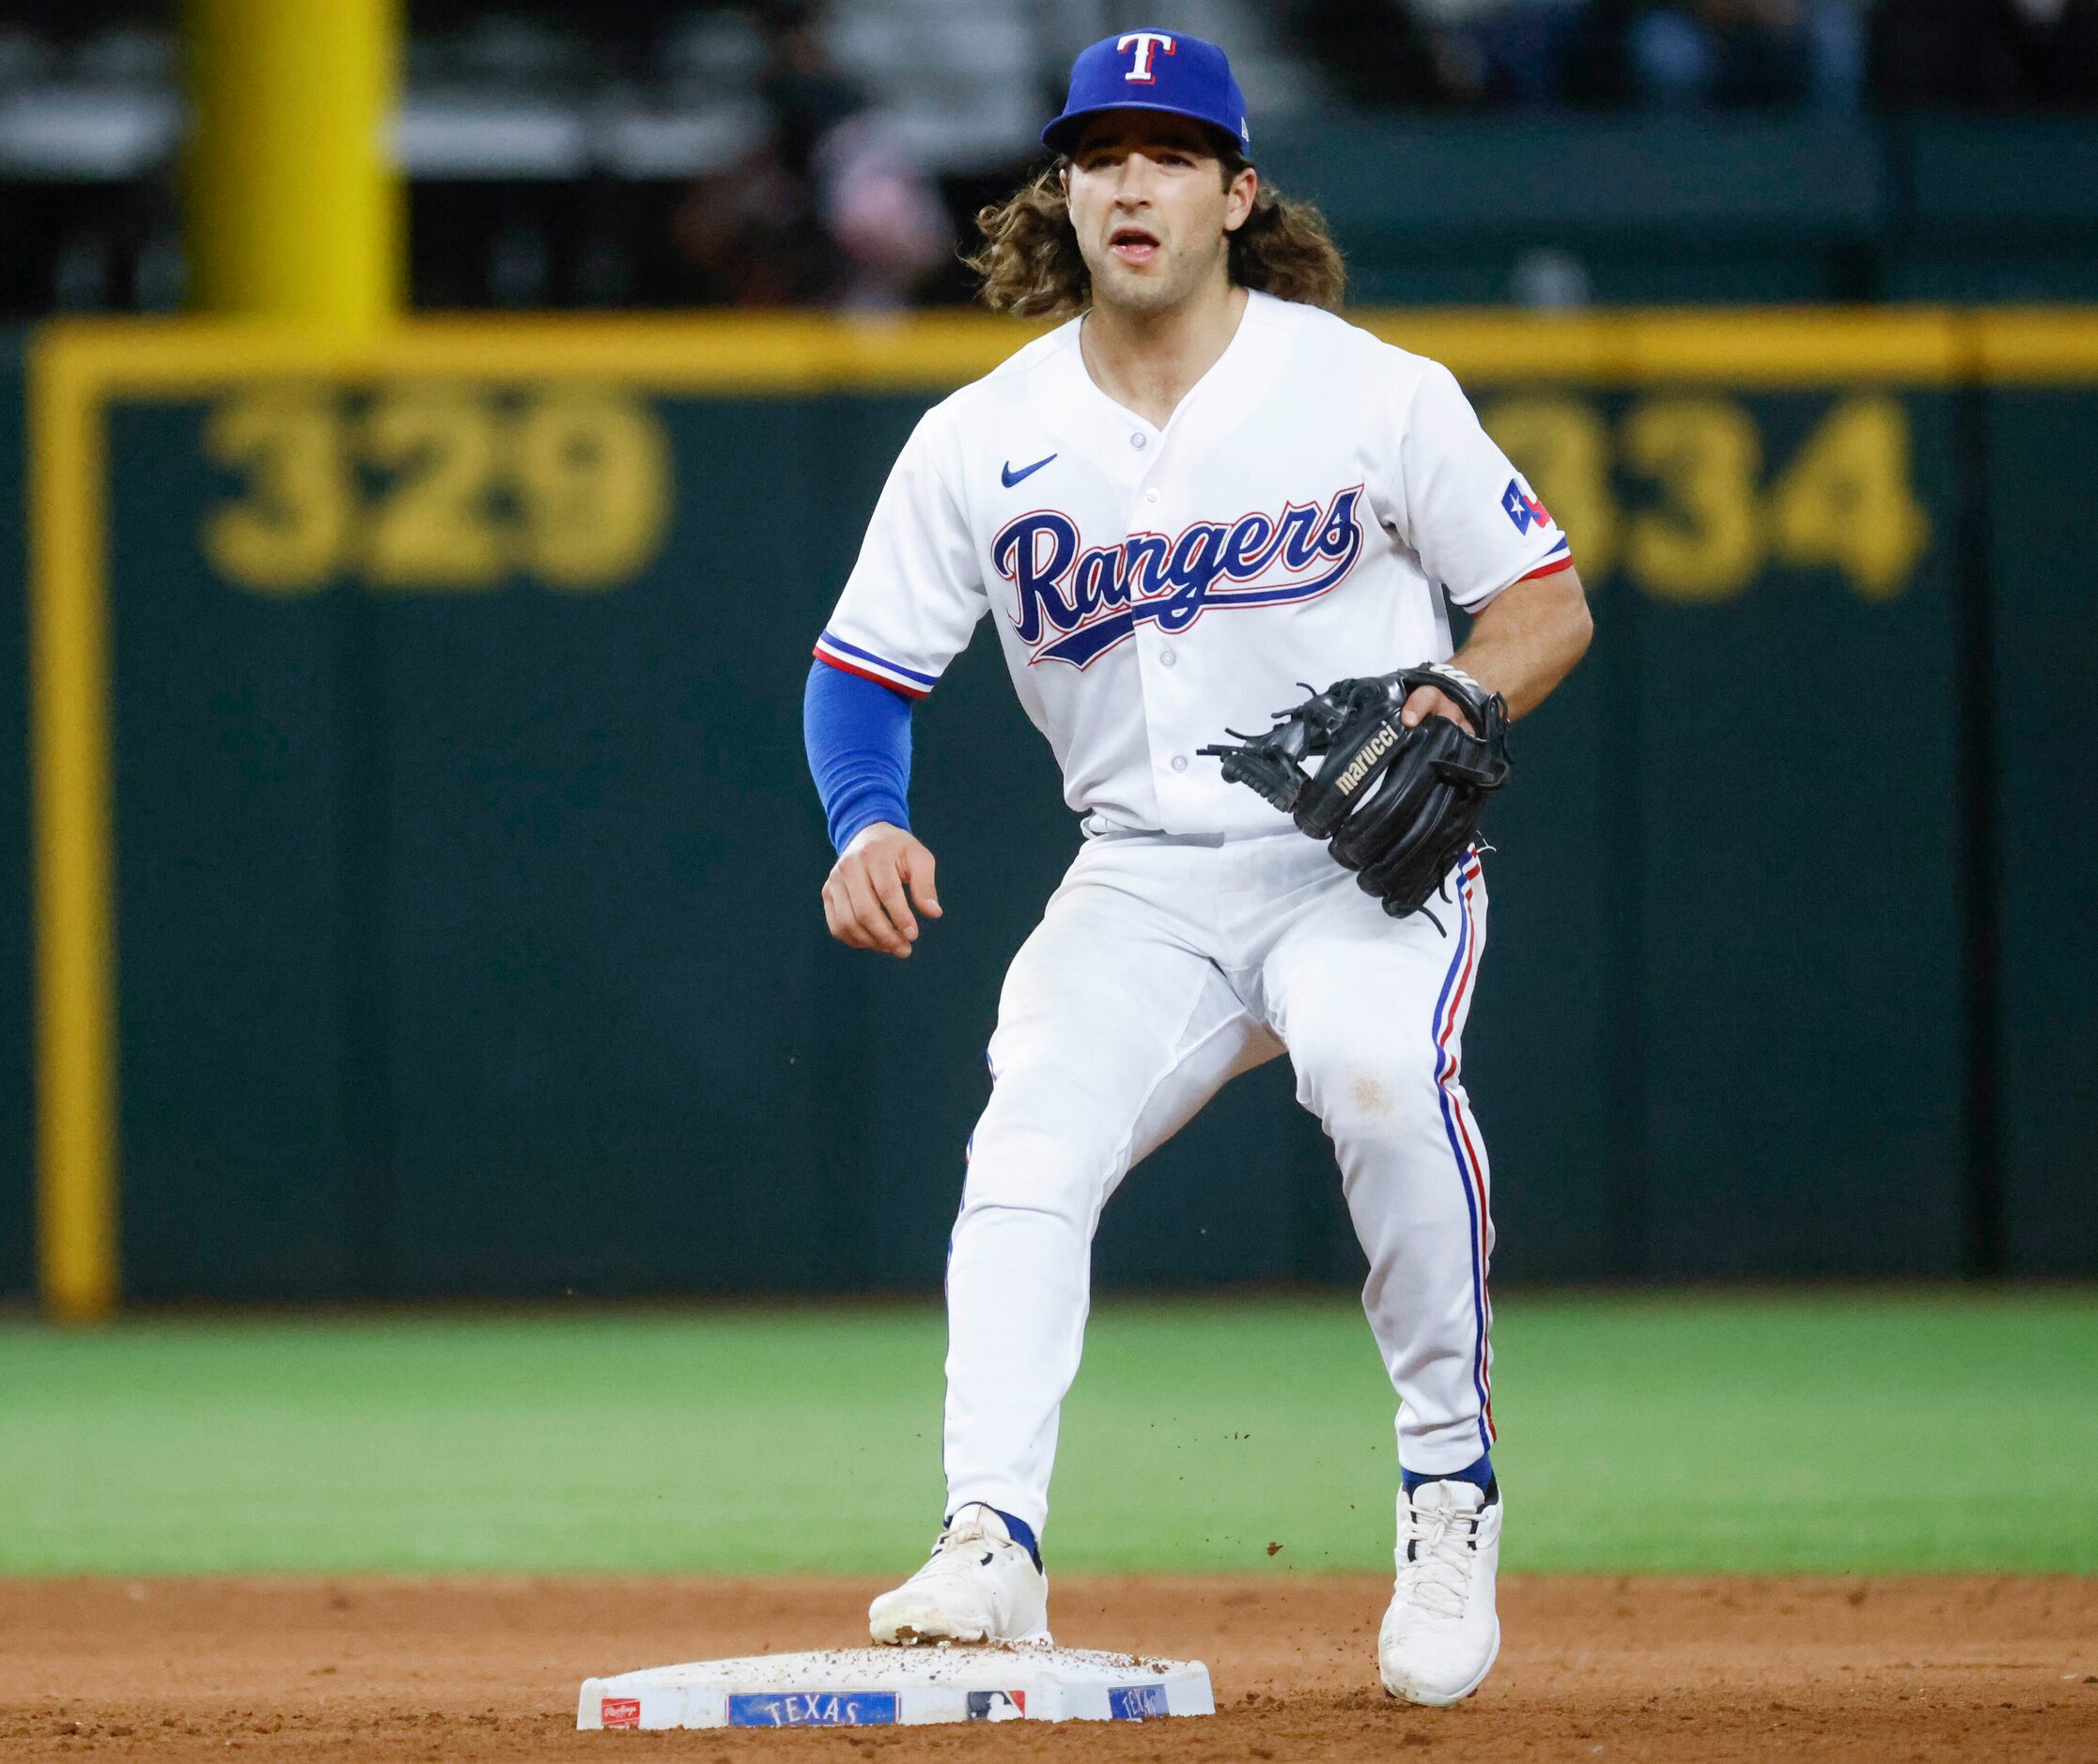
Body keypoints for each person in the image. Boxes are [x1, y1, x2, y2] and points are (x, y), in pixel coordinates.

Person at [801, 29, 1591, 1708]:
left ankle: (1447, 1485)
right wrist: (864, 818)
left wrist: (1459, 686)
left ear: (1236, 193)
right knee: (1026, 1140)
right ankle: (988, 1539)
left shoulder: (1370, 390)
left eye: (1167, 153)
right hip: (1140, 874)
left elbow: (1544, 599)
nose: (1129, 181)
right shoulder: (980, 437)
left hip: (1349, 871)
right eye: (1099, 155)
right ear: (1063, 194)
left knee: (1380, 1076)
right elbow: (861, 669)